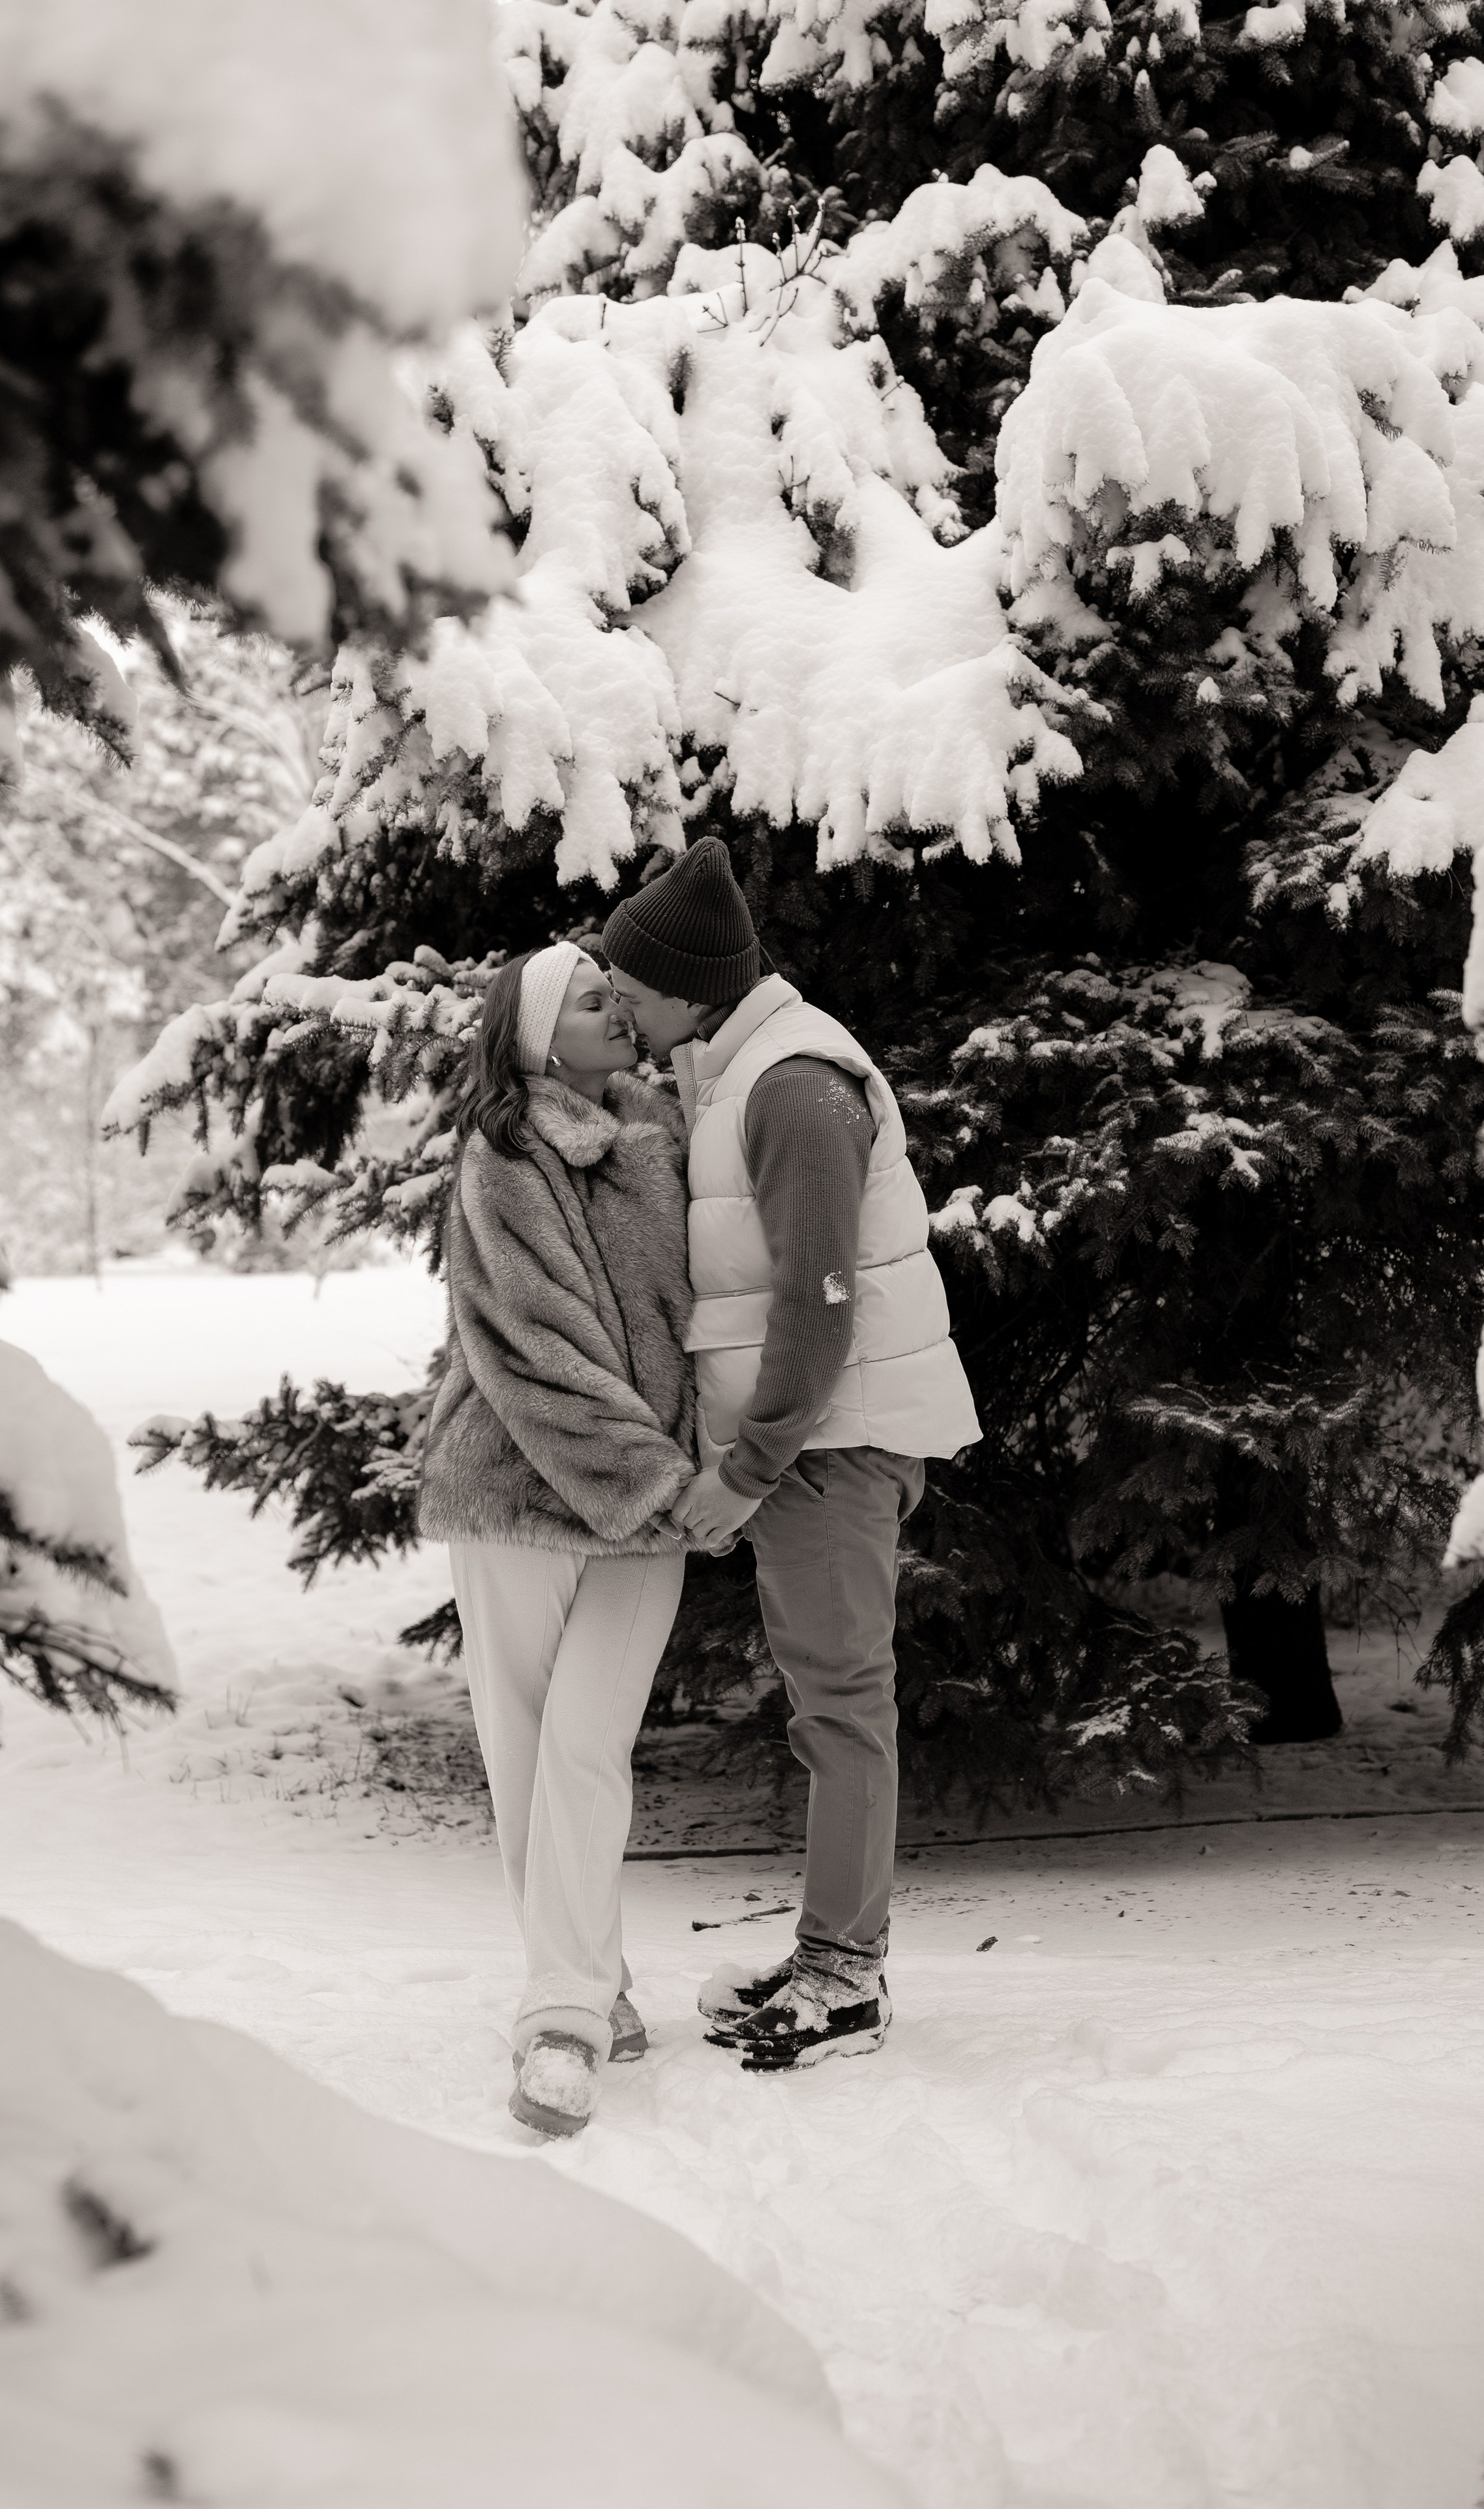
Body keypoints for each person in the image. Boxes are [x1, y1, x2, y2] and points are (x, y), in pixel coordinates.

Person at [601, 839, 981, 2071]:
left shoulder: (794, 1084)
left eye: (630, 987)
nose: (618, 1007)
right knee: (829, 1705)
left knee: (844, 1707)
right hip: (810, 1442)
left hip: (831, 1440)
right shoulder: (740, 1069)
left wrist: (748, 1463)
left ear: (691, 983)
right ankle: (830, 1945)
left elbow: (821, 1305)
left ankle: (847, 1977)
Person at [417, 942, 696, 2139]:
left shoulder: (668, 1136)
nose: (617, 1013)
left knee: (588, 1749)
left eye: (615, 997)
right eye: (591, 1002)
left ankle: (565, 2008)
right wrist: (647, 1474)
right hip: (518, 1490)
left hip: (648, 1504)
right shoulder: (504, 1155)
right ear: (536, 1038)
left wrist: (679, 1474)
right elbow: (531, 1348)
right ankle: (579, 2013)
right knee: (527, 1755)